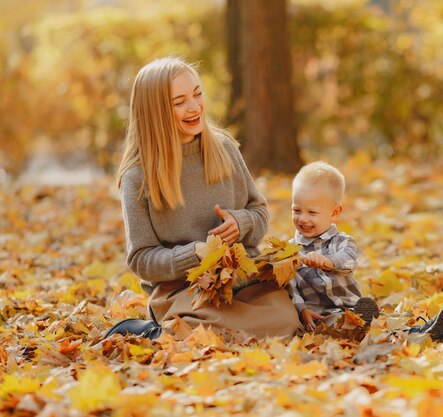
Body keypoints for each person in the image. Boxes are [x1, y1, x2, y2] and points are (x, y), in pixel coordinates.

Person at [104, 56, 300, 340]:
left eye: (197, 94)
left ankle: (188, 331)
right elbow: (141, 258)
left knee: (285, 321)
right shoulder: (138, 177)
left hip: (242, 283)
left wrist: (241, 222)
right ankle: (153, 330)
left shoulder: (224, 148)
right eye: (179, 101)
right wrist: (194, 254)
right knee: (202, 331)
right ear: (155, 111)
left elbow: (258, 213)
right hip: (185, 292)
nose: (194, 107)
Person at [287, 162, 443, 342]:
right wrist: (302, 309)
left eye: (312, 213)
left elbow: (348, 261)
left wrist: (327, 262)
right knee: (339, 325)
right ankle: (418, 334)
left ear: (335, 212)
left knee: (378, 326)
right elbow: (290, 286)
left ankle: (424, 331)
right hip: (320, 316)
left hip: (352, 307)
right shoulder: (291, 250)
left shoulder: (342, 241)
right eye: (296, 210)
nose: (303, 218)